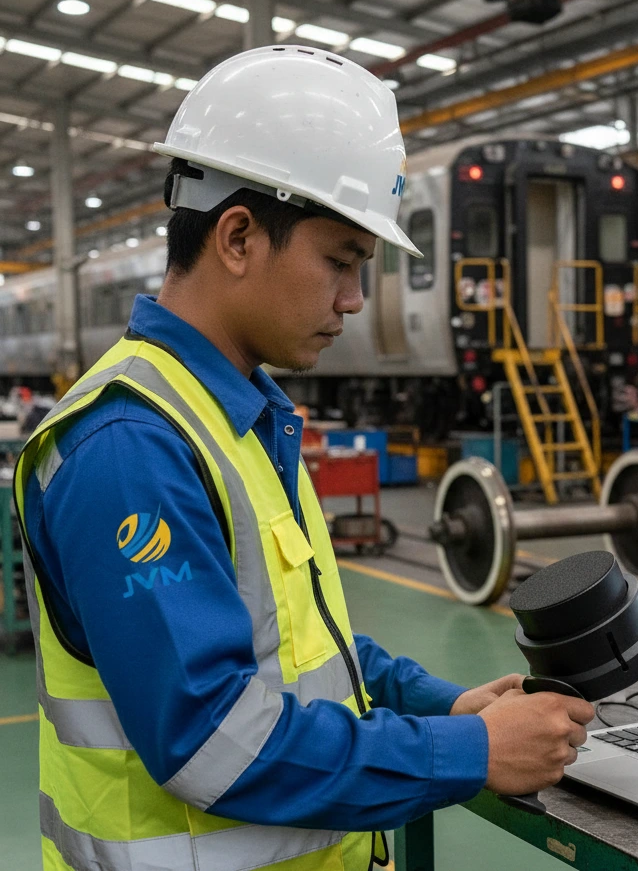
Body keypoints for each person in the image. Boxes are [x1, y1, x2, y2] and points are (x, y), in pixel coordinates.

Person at [13, 46, 593, 871]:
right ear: (240, 236)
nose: (354, 299)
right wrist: (466, 751)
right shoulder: (131, 446)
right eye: (342, 261)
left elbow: (296, 652)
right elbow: (212, 740)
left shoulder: (237, 414)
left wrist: (450, 704)